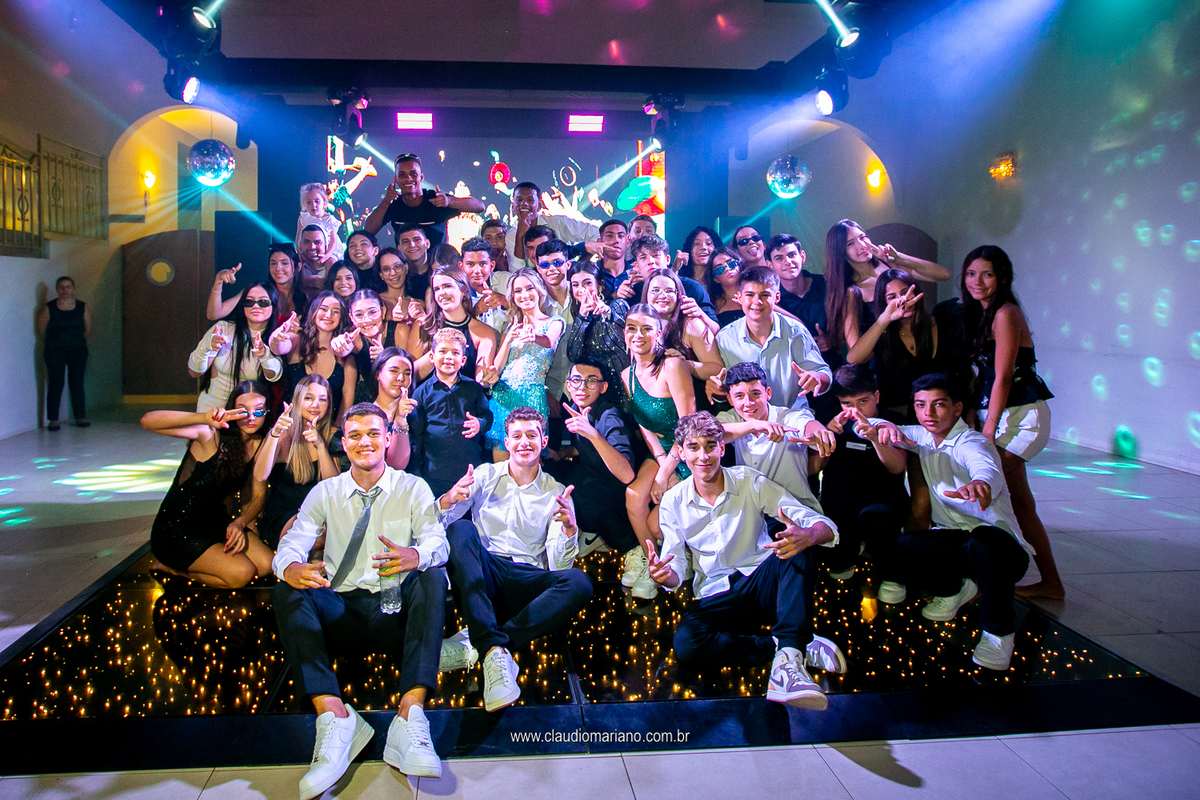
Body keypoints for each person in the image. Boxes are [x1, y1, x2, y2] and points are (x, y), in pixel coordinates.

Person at [272, 403, 450, 794]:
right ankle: (335, 719)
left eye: (372, 433)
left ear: (387, 440)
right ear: (344, 443)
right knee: (286, 585)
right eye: (354, 435)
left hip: (394, 608)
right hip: (343, 608)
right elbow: (293, 542)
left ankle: (410, 716)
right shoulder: (325, 492)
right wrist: (289, 566)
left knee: (432, 574)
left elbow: (438, 542)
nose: (364, 442)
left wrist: (415, 555)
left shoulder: (412, 487)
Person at [646, 412, 844, 708]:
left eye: (710, 446)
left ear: (722, 448)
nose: (703, 456)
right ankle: (786, 645)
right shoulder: (673, 501)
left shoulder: (748, 480)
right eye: (694, 447)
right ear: (682, 453)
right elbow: (675, 566)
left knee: (795, 545)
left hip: (761, 579)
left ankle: (789, 661)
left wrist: (810, 535)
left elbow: (816, 522)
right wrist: (664, 575)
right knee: (687, 644)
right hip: (716, 592)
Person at [856, 373, 1033, 671]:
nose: (929, 413)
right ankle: (954, 589)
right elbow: (872, 425)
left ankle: (999, 633)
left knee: (984, 542)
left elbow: (984, 467)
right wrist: (882, 427)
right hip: (955, 542)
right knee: (899, 547)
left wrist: (980, 483)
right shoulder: (922, 435)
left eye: (938, 404)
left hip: (1001, 551)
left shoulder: (972, 442)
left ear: (957, 408)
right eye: (920, 405)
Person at [436, 407, 592, 710]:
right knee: (461, 529)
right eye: (517, 436)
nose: (524, 442)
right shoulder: (485, 475)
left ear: (544, 441)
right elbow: (440, 524)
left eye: (531, 435)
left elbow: (559, 566)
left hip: (526, 577)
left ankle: (485, 643)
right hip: (485, 574)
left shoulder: (557, 492)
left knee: (579, 582)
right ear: (506, 442)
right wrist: (448, 499)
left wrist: (569, 529)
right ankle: (493, 648)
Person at [962, 245, 1061, 600]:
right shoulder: (983, 313)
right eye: (971, 274)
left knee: (982, 491)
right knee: (1019, 501)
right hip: (1001, 413)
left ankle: (983, 581)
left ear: (1002, 277)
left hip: (1020, 416)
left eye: (987, 274)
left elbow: (1003, 376)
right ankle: (1051, 583)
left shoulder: (1005, 313)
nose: (977, 281)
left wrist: (987, 430)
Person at [142, 380, 272, 588]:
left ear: (266, 412)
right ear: (231, 411)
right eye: (242, 411)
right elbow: (148, 421)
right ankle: (174, 569)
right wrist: (203, 418)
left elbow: (258, 495)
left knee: (266, 564)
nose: (250, 418)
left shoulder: (259, 443)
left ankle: (203, 562)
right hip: (178, 530)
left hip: (215, 523)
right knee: (243, 573)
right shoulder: (210, 435)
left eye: (258, 411)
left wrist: (240, 522)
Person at [620, 304, 695, 599]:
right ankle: (652, 564)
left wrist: (666, 474)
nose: (638, 335)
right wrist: (662, 464)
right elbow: (645, 426)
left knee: (656, 524)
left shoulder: (673, 366)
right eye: (631, 328)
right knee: (633, 495)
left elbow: (688, 426)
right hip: (661, 452)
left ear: (659, 332)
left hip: (689, 449)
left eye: (646, 328)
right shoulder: (627, 375)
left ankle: (682, 557)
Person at [815, 364, 910, 580]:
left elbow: (897, 467)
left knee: (876, 524)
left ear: (876, 396)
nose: (855, 411)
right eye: (847, 404)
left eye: (863, 402)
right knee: (837, 565)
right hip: (840, 502)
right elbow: (814, 468)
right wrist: (826, 434)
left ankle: (891, 574)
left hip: (883, 501)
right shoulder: (833, 421)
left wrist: (875, 438)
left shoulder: (893, 421)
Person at [549, 359, 639, 562]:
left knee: (589, 497)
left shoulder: (609, 415)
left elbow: (627, 474)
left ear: (603, 387)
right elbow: (584, 448)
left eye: (591, 381)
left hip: (615, 492)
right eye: (577, 380)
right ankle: (587, 530)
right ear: (568, 385)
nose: (582, 387)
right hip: (592, 476)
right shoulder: (575, 407)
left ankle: (633, 548)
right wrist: (562, 454)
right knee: (552, 471)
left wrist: (592, 433)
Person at [715, 362, 835, 514]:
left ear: (768, 393)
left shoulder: (788, 416)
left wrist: (819, 433)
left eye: (755, 394)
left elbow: (807, 423)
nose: (748, 403)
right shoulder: (731, 417)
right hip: (753, 511)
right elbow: (711, 433)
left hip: (795, 509)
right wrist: (754, 425)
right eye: (739, 396)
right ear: (730, 400)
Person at [711, 267, 831, 411]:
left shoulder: (795, 331)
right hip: (746, 419)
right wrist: (716, 390)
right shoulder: (725, 338)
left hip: (792, 414)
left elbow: (823, 374)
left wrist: (817, 378)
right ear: (739, 297)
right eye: (750, 295)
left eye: (764, 295)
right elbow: (722, 392)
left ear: (777, 297)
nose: (757, 301)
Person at [823, 219, 951, 353]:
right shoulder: (852, 291)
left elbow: (944, 274)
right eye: (850, 243)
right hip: (889, 357)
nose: (862, 245)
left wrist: (898, 257)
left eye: (862, 237)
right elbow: (854, 350)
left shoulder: (889, 265)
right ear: (841, 252)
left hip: (920, 343)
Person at [846, 269, 951, 420]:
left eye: (905, 292)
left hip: (939, 416)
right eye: (892, 297)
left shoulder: (942, 322)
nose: (902, 300)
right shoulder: (881, 334)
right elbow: (853, 359)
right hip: (897, 419)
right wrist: (884, 319)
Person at [481, 269, 565, 459]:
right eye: (518, 291)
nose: (524, 294)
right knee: (501, 467)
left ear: (539, 291)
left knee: (529, 463)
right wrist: (509, 339)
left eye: (529, 288)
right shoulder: (509, 327)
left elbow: (549, 341)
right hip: (503, 396)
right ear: (512, 297)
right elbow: (497, 368)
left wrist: (534, 336)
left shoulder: (554, 322)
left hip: (532, 398)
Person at [253, 375, 340, 550]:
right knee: (312, 535)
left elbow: (334, 486)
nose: (315, 405)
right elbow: (260, 475)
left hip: (319, 513)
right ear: (297, 400)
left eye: (322, 400)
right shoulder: (282, 433)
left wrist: (320, 445)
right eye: (309, 398)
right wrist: (275, 434)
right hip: (284, 515)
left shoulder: (332, 434)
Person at [410, 328, 493, 498]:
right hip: (434, 475)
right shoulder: (421, 393)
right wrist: (417, 474)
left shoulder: (474, 389)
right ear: (432, 357)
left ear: (463, 360)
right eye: (443, 351)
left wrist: (480, 424)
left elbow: (487, 416)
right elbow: (415, 437)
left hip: (469, 470)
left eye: (455, 353)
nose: (449, 357)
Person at [189, 281, 283, 413]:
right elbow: (194, 372)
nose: (255, 306)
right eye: (249, 302)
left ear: (274, 305)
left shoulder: (276, 337)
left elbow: (274, 376)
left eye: (263, 302)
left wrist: (264, 356)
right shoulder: (223, 329)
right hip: (212, 410)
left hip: (248, 416)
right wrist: (205, 349)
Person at [269, 291, 358, 423]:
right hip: (290, 425)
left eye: (336, 311)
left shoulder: (346, 357)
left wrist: (336, 430)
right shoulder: (298, 340)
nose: (328, 315)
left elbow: (347, 398)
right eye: (323, 309)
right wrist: (276, 338)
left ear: (341, 317)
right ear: (314, 312)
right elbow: (277, 347)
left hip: (326, 429)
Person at [363, 152, 484, 248]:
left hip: (437, 266)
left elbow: (479, 207)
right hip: (406, 265)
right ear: (396, 180)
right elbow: (368, 231)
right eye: (402, 175)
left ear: (421, 177)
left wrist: (449, 202)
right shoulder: (393, 204)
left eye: (413, 174)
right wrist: (386, 201)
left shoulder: (436, 200)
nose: (408, 178)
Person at [408, 266, 497, 385]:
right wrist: (439, 350)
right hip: (428, 395)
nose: (442, 293)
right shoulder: (423, 325)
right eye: (436, 289)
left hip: (464, 395)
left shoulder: (484, 332)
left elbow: (481, 375)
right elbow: (410, 374)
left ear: (463, 290)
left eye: (447, 286)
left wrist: (487, 377)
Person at [640, 267, 723, 383]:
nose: (662, 295)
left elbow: (717, 368)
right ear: (646, 294)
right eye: (655, 290)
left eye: (669, 291)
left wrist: (685, 364)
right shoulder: (639, 326)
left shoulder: (692, 325)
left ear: (679, 295)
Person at [565, 261, 630, 399]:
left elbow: (625, 341)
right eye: (575, 285)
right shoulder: (579, 318)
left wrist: (607, 314)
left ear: (600, 286)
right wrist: (582, 317)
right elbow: (573, 356)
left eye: (587, 283)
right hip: (596, 393)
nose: (581, 290)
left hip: (624, 388)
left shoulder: (617, 306)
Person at [335, 289, 411, 404]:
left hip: (398, 401)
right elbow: (343, 349)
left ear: (383, 311)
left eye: (372, 312)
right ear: (352, 318)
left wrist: (385, 357)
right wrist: (337, 345)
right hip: (365, 403)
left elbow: (408, 372)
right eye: (359, 315)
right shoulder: (355, 338)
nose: (367, 320)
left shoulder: (399, 330)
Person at [617, 234, 717, 321]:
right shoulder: (633, 292)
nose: (650, 261)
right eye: (643, 258)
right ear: (637, 265)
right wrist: (617, 296)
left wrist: (700, 314)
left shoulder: (692, 287)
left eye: (655, 255)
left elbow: (716, 329)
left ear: (668, 259)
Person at [37, 275, 91, 431]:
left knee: (77, 382)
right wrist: (56, 342)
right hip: (54, 350)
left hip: (78, 349)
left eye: (68, 287)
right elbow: (41, 330)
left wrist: (74, 341)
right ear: (56, 290)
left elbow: (87, 329)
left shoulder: (81, 306)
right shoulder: (49, 307)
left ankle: (80, 417)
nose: (64, 290)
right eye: (61, 287)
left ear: (73, 289)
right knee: (55, 382)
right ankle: (53, 420)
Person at [505, 181, 599, 269]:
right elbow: (516, 272)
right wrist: (519, 237)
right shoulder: (511, 236)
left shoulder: (557, 223)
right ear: (513, 206)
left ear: (539, 206)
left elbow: (596, 233)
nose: (524, 204)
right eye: (519, 200)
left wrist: (578, 266)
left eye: (530, 200)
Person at [208, 244, 304, 323]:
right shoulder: (256, 291)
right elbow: (213, 315)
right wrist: (218, 280)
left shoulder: (305, 296)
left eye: (284, 263)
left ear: (298, 266)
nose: (278, 268)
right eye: (273, 263)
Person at [766, 234, 829, 351]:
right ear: (770, 265)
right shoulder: (771, 298)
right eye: (779, 258)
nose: (787, 262)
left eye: (792, 255)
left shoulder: (826, 285)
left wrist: (833, 339)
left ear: (802, 256)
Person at [462, 236, 512, 331]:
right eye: (470, 264)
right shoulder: (457, 291)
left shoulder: (507, 281)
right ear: (461, 266)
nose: (477, 271)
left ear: (492, 266)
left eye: (482, 264)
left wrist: (506, 302)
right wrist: (474, 311)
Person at [296, 182, 345, 262]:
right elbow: (298, 236)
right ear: (304, 204)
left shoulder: (329, 220)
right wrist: (300, 251)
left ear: (324, 203)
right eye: (309, 202)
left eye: (317, 201)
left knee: (330, 262)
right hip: (310, 250)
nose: (313, 205)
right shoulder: (303, 218)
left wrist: (326, 256)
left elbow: (333, 241)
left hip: (329, 252)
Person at [395, 224, 435, 302]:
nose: (412, 245)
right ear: (399, 248)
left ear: (427, 244)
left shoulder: (439, 268)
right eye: (405, 242)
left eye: (417, 240)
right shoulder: (397, 275)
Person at [708, 247, 744, 327]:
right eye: (720, 269)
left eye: (731, 264)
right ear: (715, 279)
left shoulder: (756, 292)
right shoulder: (712, 303)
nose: (727, 269)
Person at [297, 224, 336, 294]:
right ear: (300, 244)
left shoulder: (336, 268)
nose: (312, 247)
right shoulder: (294, 266)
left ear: (326, 245)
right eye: (307, 242)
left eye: (317, 242)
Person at [596, 218, 629, 296]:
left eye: (620, 236)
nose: (616, 240)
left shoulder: (635, 274)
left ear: (627, 241)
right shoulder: (592, 273)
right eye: (610, 236)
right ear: (599, 242)